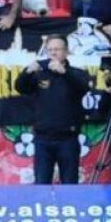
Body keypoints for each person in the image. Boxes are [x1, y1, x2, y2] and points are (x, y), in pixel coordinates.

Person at [14, 35, 92, 184]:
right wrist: (27, 72)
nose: (53, 53)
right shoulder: (39, 71)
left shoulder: (76, 73)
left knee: (70, 184)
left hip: (68, 138)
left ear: (66, 52)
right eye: (50, 50)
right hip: (43, 138)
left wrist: (64, 72)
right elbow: (20, 87)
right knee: (41, 185)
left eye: (57, 49)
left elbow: (84, 87)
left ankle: (69, 207)